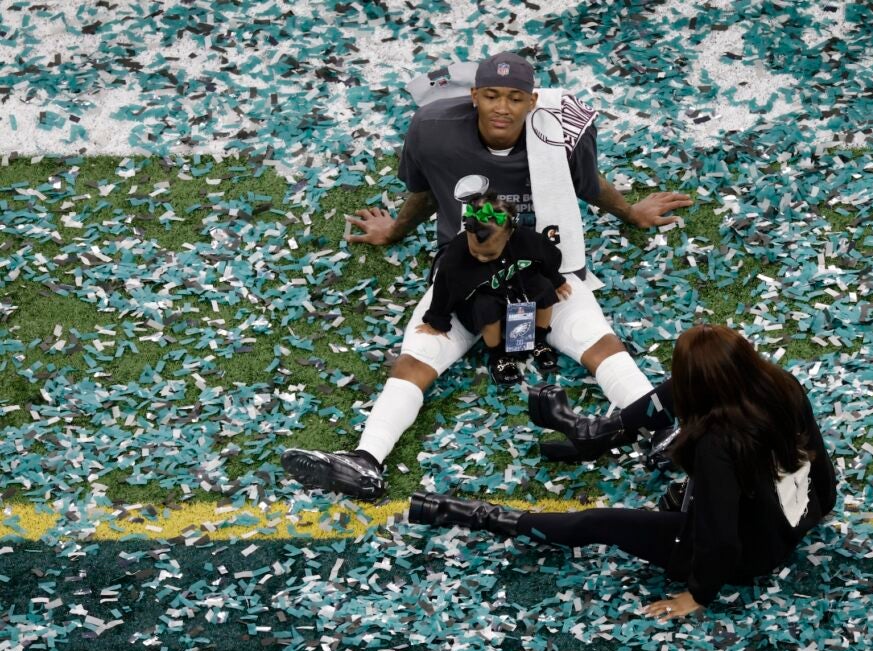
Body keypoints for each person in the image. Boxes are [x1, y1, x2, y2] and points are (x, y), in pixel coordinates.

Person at [281, 51, 693, 501]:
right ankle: (365, 459)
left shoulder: (559, 131)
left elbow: (587, 185)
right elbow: (426, 190)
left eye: (514, 98)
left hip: (535, 268)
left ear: (532, 102)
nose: (502, 107)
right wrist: (395, 230)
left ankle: (661, 429)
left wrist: (632, 213)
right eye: (491, 95)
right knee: (417, 355)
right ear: (473, 95)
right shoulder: (433, 128)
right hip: (467, 270)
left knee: (599, 340)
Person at [408, 324, 838, 617]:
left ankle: (477, 514)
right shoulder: (782, 385)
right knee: (673, 399)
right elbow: (817, 455)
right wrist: (822, 507)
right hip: (787, 516)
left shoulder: (715, 446)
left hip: (750, 551)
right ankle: (592, 432)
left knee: (597, 522)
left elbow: (721, 537)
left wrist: (698, 594)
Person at [419, 192, 572, 385]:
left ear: (509, 235)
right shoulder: (456, 256)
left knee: (543, 287)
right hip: (486, 297)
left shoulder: (526, 240)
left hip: (520, 287)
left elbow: (549, 256)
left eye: (489, 254)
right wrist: (436, 319)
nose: (481, 258)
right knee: (486, 307)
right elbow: (444, 286)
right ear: (467, 232)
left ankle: (538, 340)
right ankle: (498, 354)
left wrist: (556, 280)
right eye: (475, 252)